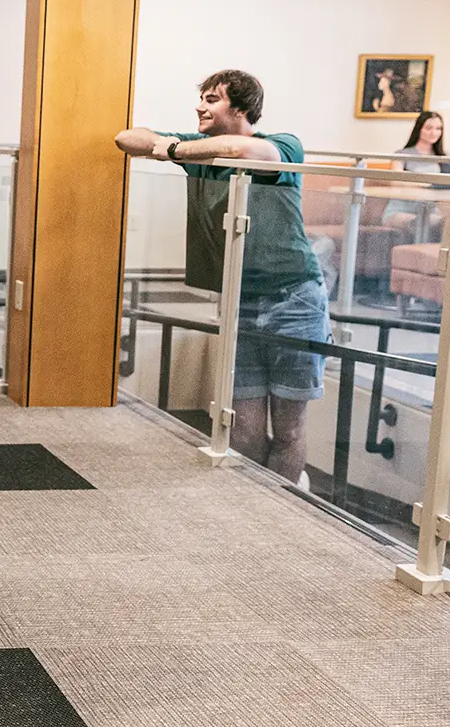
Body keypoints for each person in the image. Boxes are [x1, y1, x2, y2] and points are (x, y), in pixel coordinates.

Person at [114, 70, 328, 488]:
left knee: (288, 430)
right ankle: (252, 504)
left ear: (242, 108)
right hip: (239, 301)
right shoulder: (199, 150)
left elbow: (246, 150)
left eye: (212, 99)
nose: (200, 107)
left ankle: (282, 507)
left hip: (295, 301)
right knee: (243, 428)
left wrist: (173, 148)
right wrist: (175, 147)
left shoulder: (284, 144)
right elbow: (126, 138)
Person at [396, 110, 445, 175]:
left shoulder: (445, 156)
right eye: (428, 128)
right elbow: (395, 181)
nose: (434, 133)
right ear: (419, 129)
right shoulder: (401, 155)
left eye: (438, 128)